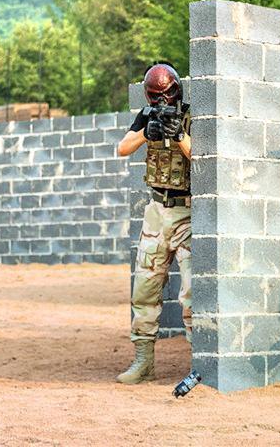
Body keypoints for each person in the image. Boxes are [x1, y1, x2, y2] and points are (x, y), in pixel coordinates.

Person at [115, 63, 192, 384]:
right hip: (156, 210)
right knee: (145, 287)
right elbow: (122, 148)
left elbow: (203, 159)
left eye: (167, 94)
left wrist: (180, 137)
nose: (163, 102)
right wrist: (147, 133)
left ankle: (202, 361)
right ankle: (143, 360)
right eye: (156, 96)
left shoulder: (190, 116)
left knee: (191, 292)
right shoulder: (148, 116)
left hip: (188, 210)